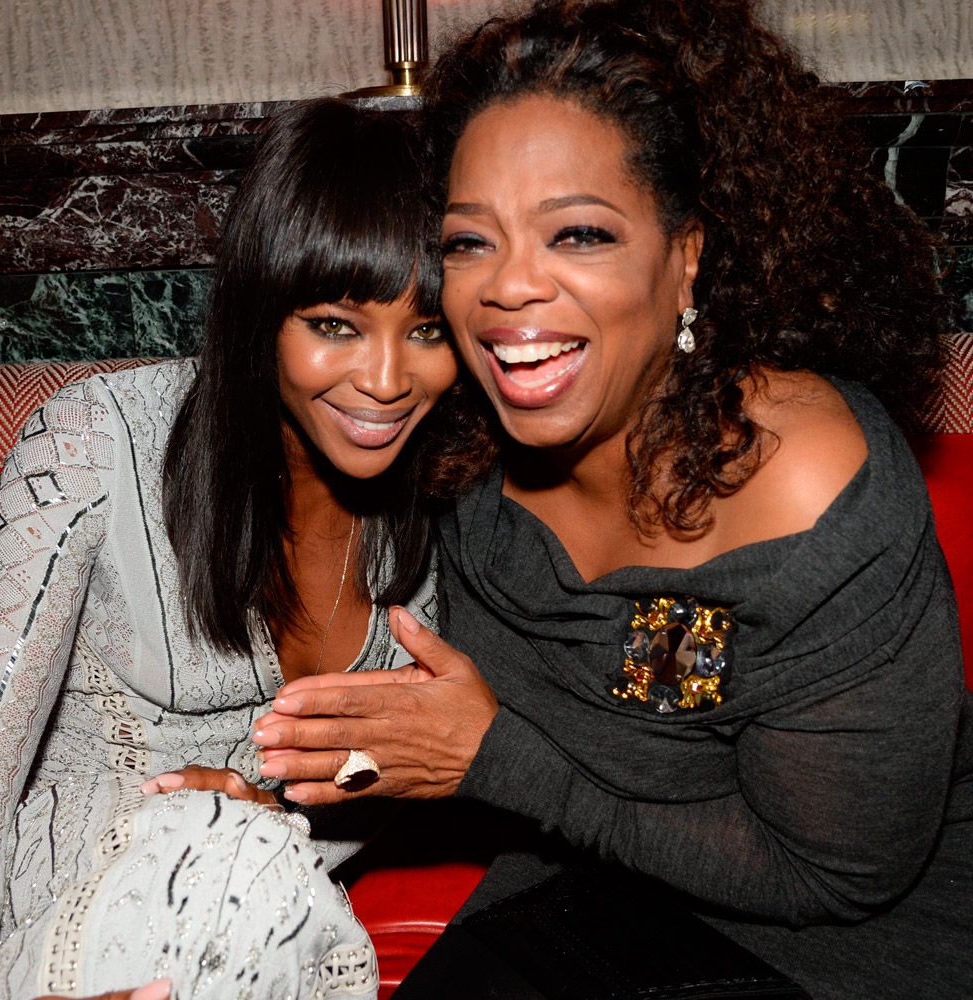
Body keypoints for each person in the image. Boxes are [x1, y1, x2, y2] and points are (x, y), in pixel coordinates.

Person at [245, 2, 972, 998]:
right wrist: (233, 817)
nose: (508, 289)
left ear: (687, 259)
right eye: (467, 242)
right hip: (585, 891)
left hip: (838, 952)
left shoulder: (800, 486)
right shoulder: (455, 449)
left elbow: (833, 877)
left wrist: (499, 761)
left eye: (577, 234)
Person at [0, 97, 459, 998]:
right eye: (334, 325)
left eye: (427, 330)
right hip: (70, 927)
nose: (389, 381)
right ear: (259, 310)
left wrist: (266, 811)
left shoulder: (432, 512)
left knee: (239, 855)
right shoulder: (93, 445)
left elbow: (376, 784)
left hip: (266, 928)